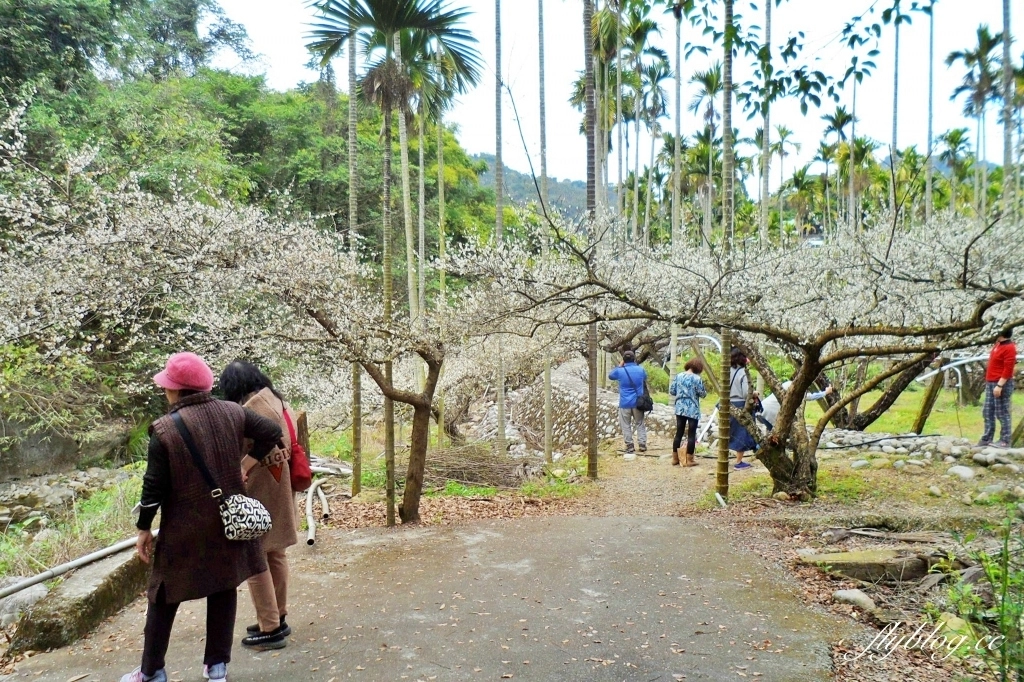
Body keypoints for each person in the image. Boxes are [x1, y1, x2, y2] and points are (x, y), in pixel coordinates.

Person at [122, 352, 283, 682]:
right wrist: (245, 464)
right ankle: (217, 668)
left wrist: (143, 529)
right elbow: (271, 430)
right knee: (224, 587)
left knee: (162, 595)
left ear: (176, 391)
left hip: (184, 528)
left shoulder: (164, 430)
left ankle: (152, 672)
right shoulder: (232, 411)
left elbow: (153, 487)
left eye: (167, 386)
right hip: (227, 522)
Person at [219, 360, 299, 651]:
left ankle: (270, 627)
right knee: (275, 552)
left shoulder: (251, 406)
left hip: (261, 486)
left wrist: (244, 464)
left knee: (254, 555)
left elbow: (270, 438)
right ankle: (278, 614)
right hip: (281, 482)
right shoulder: (275, 399)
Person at [981, 328, 1017, 448]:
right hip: (991, 382)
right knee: (987, 412)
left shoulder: (1009, 348)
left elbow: (1008, 369)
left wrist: (999, 385)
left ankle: (1005, 440)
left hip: (1001, 384)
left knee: (1002, 413)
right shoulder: (998, 344)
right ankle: (987, 438)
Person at [608, 350, 648, 457]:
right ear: (634, 359)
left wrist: (620, 365)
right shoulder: (640, 370)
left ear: (624, 360)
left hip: (625, 402)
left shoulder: (620, 371)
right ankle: (642, 444)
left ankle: (630, 445)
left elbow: (610, 375)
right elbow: (645, 377)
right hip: (638, 402)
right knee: (639, 423)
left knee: (625, 424)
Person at [669, 358, 707, 467]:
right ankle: (689, 460)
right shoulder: (697, 379)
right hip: (692, 408)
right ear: (698, 368)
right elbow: (703, 394)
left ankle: (675, 459)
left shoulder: (679, 376)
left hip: (679, 407)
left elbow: (672, 391)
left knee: (679, 432)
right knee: (691, 434)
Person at [759, 381, 834, 431]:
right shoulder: (794, 387)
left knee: (771, 433)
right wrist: (825, 392)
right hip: (770, 412)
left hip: (761, 408)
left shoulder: (787, 384)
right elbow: (808, 397)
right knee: (776, 433)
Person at [728, 348, 758, 470]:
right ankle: (739, 462)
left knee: (730, 432)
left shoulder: (727, 370)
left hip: (728, 404)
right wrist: (755, 393)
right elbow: (746, 393)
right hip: (740, 404)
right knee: (742, 432)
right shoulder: (743, 372)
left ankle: (724, 458)